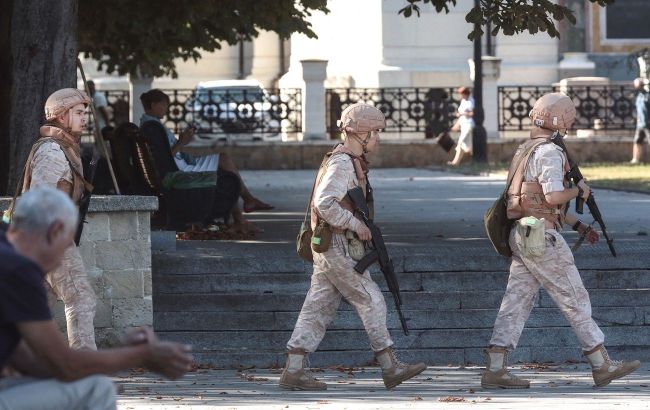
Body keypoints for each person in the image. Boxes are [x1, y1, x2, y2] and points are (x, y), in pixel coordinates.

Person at [481, 93, 640, 389]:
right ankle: (600, 363)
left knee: (515, 301)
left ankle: (495, 366)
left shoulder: (525, 150)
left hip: (523, 232)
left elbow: (533, 200)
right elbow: (553, 196)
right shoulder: (550, 152)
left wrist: (577, 224)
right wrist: (579, 192)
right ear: (562, 120)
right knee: (574, 297)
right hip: (543, 237)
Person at [0, 187, 192, 410]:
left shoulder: (7, 251)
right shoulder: (17, 270)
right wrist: (142, 355)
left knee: (78, 383)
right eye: (65, 248)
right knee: (96, 389)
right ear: (55, 231)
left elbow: (27, 361)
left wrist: (122, 352)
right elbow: (65, 365)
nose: (59, 261)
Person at [279, 103, 426, 391]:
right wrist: (355, 224)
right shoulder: (342, 163)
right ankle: (389, 366)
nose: (379, 139)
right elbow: (324, 203)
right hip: (337, 244)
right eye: (377, 132)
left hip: (333, 244)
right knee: (370, 298)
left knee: (318, 306)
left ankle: (294, 370)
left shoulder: (348, 160)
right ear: (364, 133)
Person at [17, 88, 97, 350]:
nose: (84, 118)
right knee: (81, 298)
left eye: (84, 112)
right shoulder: (52, 151)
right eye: (78, 112)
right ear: (61, 117)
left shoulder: (64, 148)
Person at [139, 89, 273, 232]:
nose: (166, 109)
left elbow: (164, 156)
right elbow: (165, 159)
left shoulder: (150, 125)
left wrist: (182, 142)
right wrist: (181, 142)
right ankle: (245, 208)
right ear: (153, 105)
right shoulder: (153, 128)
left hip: (176, 166)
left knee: (225, 166)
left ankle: (244, 209)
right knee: (224, 160)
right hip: (178, 170)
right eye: (163, 105)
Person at [447, 87, 474, 166]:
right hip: (463, 125)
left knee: (461, 142)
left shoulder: (471, 102)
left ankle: (456, 162)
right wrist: (456, 125)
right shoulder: (463, 101)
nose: (461, 96)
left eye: (461, 94)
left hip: (469, 125)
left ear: (465, 93)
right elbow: (461, 116)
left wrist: (463, 114)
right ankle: (456, 162)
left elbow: (472, 113)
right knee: (465, 145)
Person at [631, 77, 649, 164]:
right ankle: (635, 159)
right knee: (637, 141)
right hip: (640, 124)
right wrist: (638, 119)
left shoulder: (648, 96)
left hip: (648, 124)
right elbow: (639, 110)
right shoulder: (639, 97)